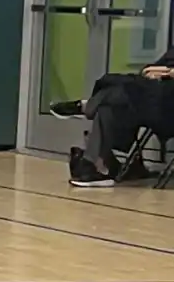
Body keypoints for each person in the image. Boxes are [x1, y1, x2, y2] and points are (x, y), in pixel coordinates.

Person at [59, 47, 174, 183]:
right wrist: (163, 71)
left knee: (131, 89)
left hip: (167, 108)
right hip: (153, 103)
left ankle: (86, 106)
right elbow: (148, 70)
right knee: (109, 105)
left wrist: (167, 72)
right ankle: (93, 165)